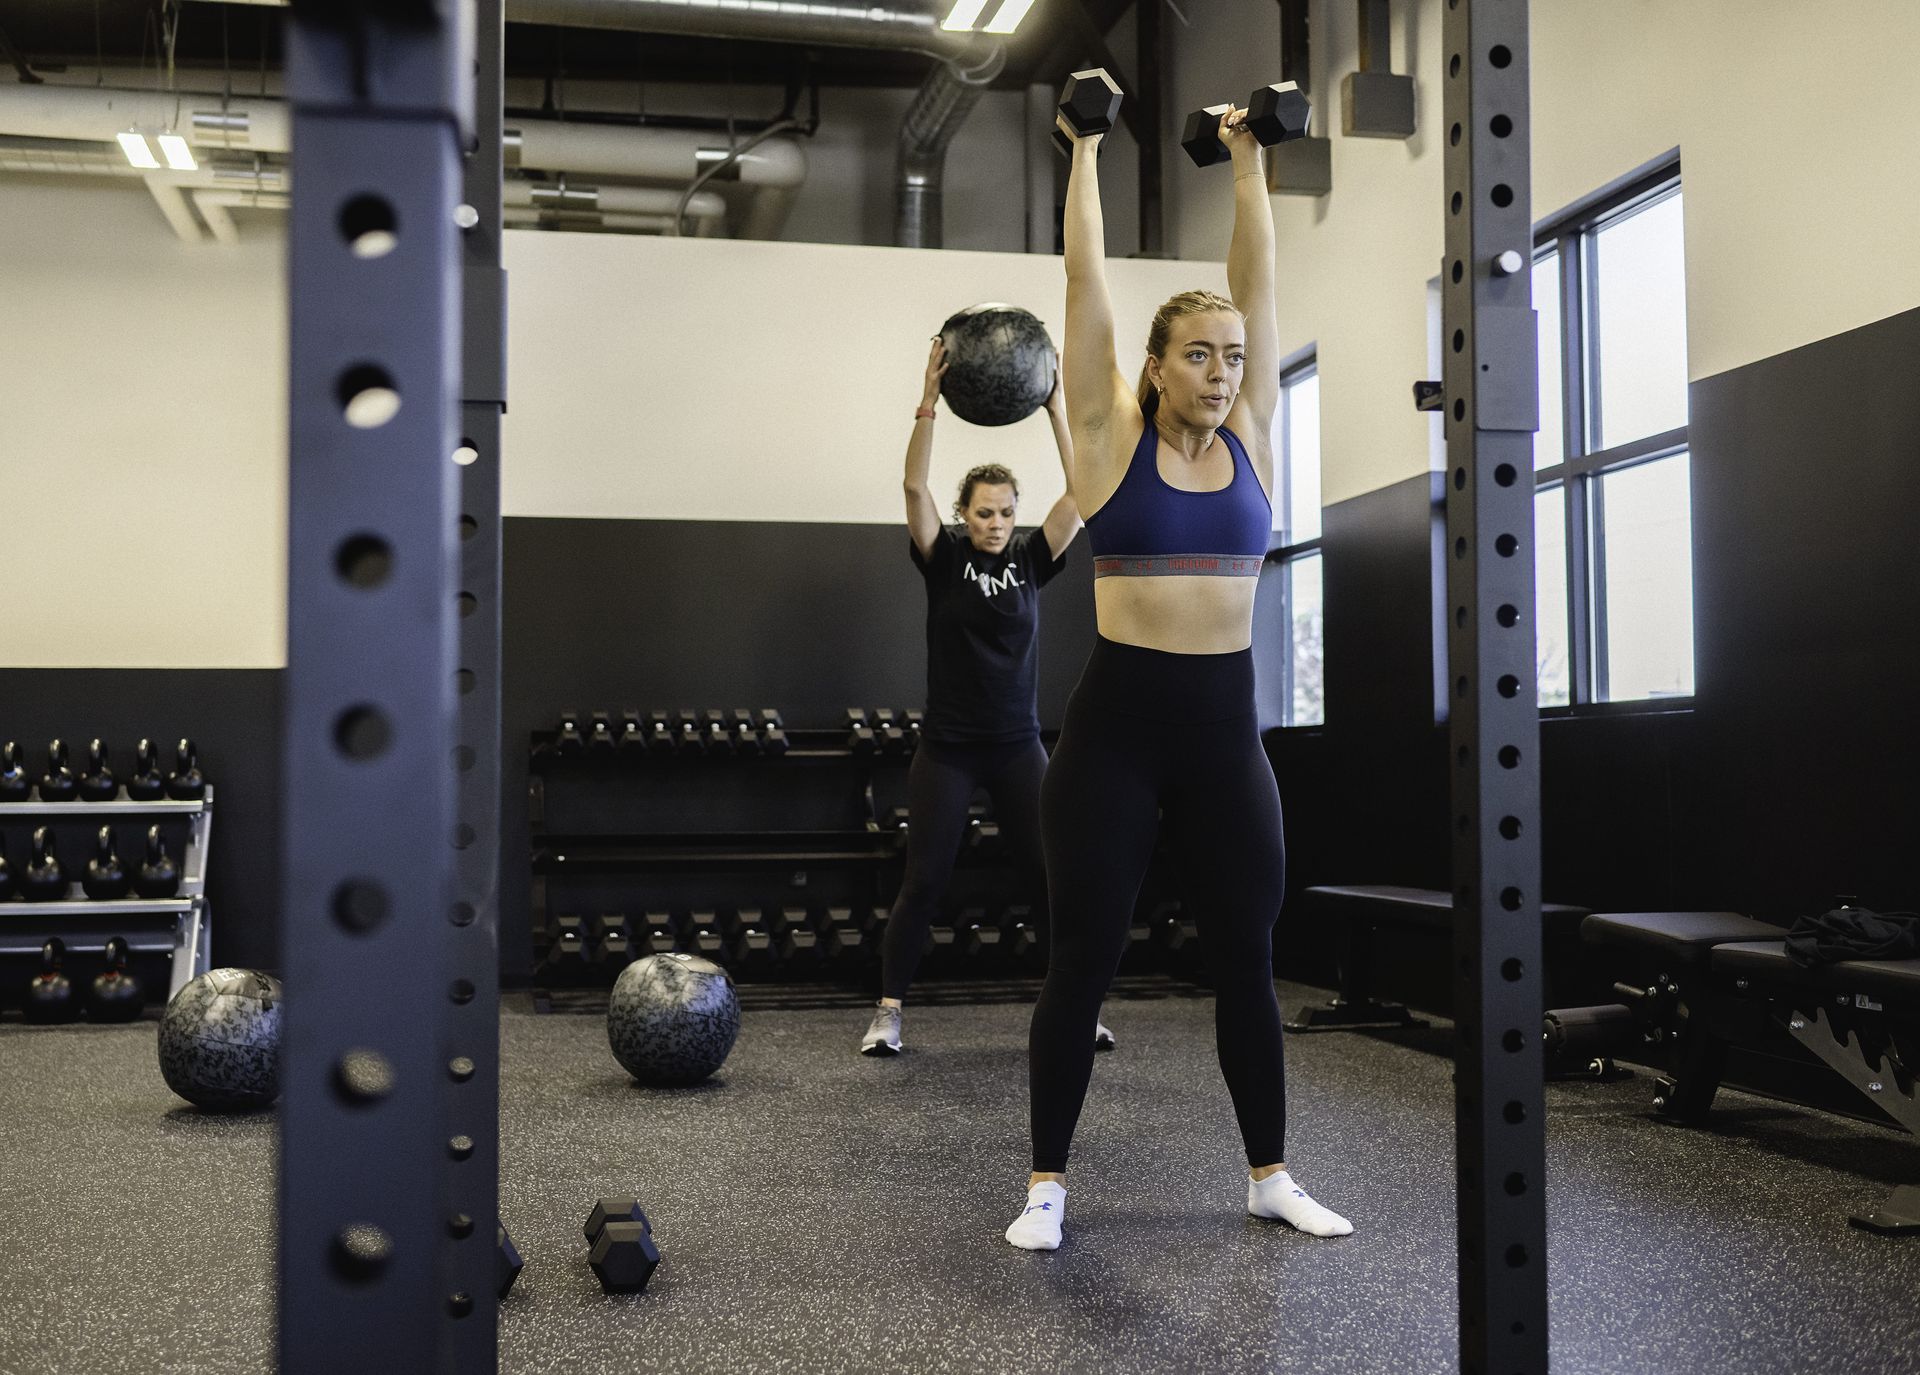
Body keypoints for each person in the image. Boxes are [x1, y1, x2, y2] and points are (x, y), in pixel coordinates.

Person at [1003, 107, 1352, 1249]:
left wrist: (1253, 162)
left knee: (1249, 962)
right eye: (1197, 354)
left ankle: (1269, 1174)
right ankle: (1047, 1184)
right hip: (1113, 742)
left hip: (1222, 739)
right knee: (1083, 965)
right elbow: (1085, 278)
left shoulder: (1252, 430)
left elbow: (1259, 280)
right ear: (1155, 367)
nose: (1220, 370)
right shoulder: (1107, 434)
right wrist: (1088, 149)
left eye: (1232, 355)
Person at [860, 339, 1114, 1057]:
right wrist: (927, 405)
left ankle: (1079, 1007)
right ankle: (888, 1011)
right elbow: (913, 490)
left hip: (1015, 746)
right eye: (983, 512)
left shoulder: (1034, 562)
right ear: (965, 515)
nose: (996, 523)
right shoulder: (944, 562)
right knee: (925, 879)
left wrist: (1057, 408)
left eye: (1005, 512)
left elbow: (1084, 490)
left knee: (1049, 876)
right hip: (948, 748)